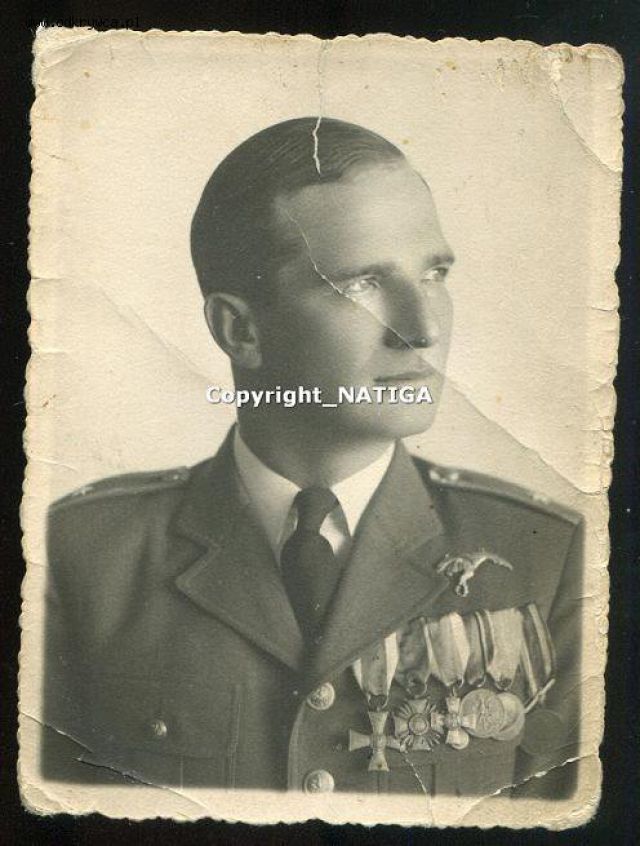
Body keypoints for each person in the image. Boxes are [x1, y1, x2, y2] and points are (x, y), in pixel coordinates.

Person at [43, 117, 583, 798]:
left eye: (434, 273)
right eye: (361, 283)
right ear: (240, 330)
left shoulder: (548, 557)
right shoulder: (83, 556)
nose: (423, 329)